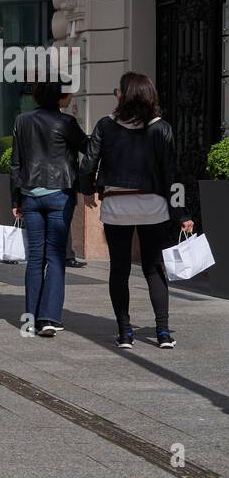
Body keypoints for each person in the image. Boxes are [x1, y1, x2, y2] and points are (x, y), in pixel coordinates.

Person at [80, 72, 194, 349]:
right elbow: (172, 174)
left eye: (117, 90)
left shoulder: (105, 126)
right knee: (154, 269)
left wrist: (87, 190)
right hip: (153, 208)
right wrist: (182, 215)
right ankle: (163, 332)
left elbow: (88, 164)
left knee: (118, 270)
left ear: (124, 95)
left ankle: (124, 332)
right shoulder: (161, 128)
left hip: (117, 207)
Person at [10, 79, 88, 337]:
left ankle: (29, 319)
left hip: (30, 195)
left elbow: (15, 163)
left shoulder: (22, 120)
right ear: (59, 97)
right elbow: (88, 148)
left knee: (35, 257)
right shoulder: (66, 122)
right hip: (59, 195)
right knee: (55, 257)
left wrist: (16, 201)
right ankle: (49, 318)